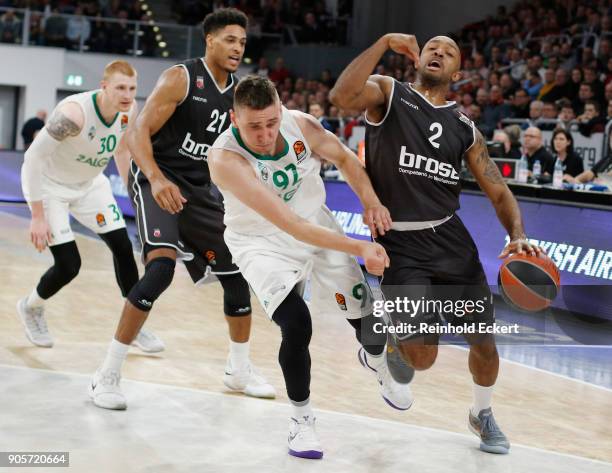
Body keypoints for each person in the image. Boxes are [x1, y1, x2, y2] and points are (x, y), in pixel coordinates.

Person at [330, 33, 542, 455]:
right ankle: (389, 338)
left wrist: (517, 234)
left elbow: (498, 190)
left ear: (457, 73)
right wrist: (383, 43)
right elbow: (341, 95)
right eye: (432, 48)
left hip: (451, 241)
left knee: (483, 341)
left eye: (448, 52)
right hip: (402, 244)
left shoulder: (464, 129)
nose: (439, 52)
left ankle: (482, 413)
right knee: (422, 359)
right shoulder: (388, 93)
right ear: (418, 59)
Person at [209, 74, 411, 459]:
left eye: (271, 122)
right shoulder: (225, 159)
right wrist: (359, 246)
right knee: (297, 323)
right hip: (262, 243)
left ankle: (377, 360)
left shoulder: (300, 124)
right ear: (234, 120)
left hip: (315, 221)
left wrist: (369, 201)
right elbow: (290, 225)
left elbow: (345, 159)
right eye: (254, 127)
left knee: (365, 320)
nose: (266, 134)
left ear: (281, 110)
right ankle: (302, 420)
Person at [89, 8, 275, 411]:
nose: (237, 48)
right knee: (160, 269)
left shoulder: (240, 93)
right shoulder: (180, 78)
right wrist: (155, 178)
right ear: (209, 40)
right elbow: (137, 131)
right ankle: (107, 374)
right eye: (230, 39)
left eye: (242, 42)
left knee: (236, 275)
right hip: (158, 178)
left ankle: (238, 371)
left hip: (201, 191)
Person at [18, 60, 162, 353]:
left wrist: (133, 194)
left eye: (132, 88)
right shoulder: (74, 114)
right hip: (52, 189)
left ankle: (133, 326)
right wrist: (37, 215)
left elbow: (121, 150)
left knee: (123, 247)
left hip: (91, 186)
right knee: (69, 265)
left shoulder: (128, 111)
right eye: (120, 87)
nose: (127, 94)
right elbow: (32, 158)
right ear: (104, 87)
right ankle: (31, 306)